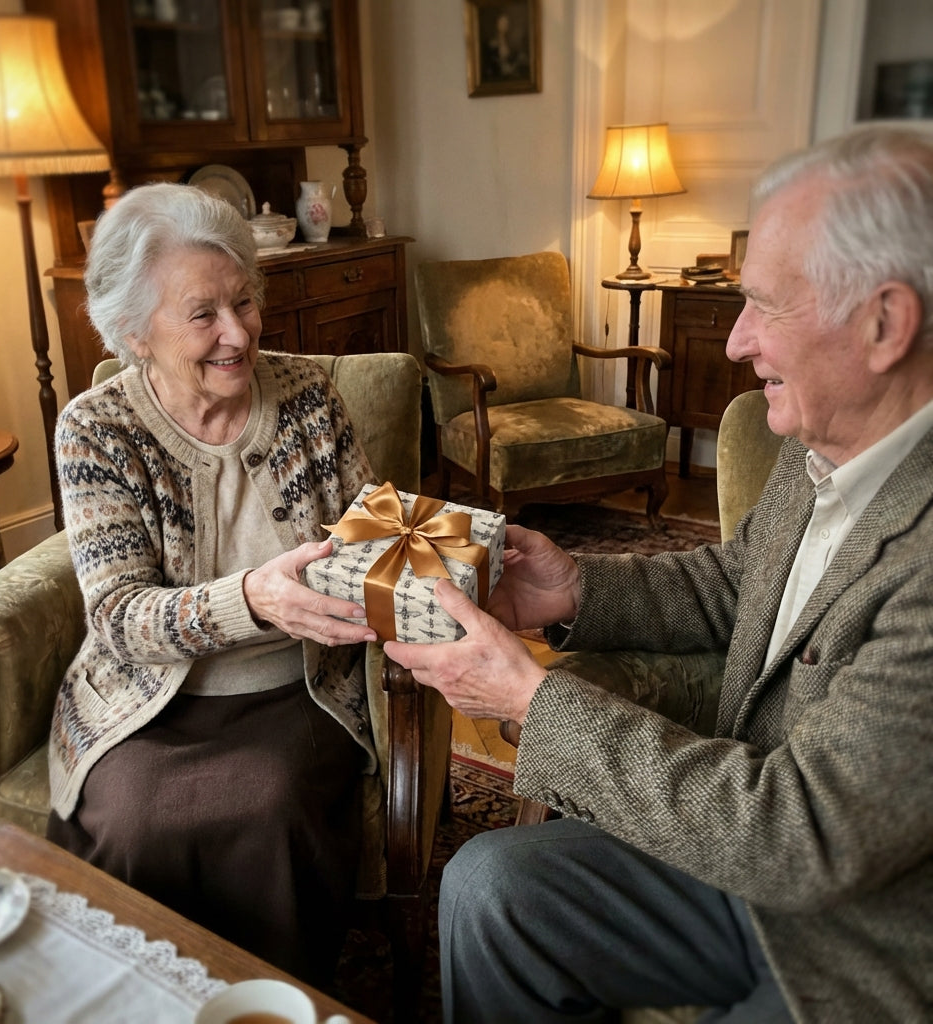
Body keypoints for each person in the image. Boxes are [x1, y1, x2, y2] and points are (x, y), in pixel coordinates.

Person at [385, 125, 933, 1022]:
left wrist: (532, 701)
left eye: (767, 306)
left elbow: (800, 836)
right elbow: (740, 582)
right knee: (491, 888)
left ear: (884, 323)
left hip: (867, 933)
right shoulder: (823, 442)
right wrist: (577, 589)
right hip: (750, 865)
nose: (736, 343)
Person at [46, 181, 381, 984]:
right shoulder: (97, 429)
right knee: (131, 821)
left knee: (271, 801)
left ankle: (273, 999)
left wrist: (434, 557)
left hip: (298, 687)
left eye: (245, 302)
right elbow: (121, 616)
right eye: (204, 314)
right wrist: (252, 597)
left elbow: (369, 530)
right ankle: (146, 996)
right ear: (135, 331)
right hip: (147, 700)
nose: (239, 333)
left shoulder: (308, 398)